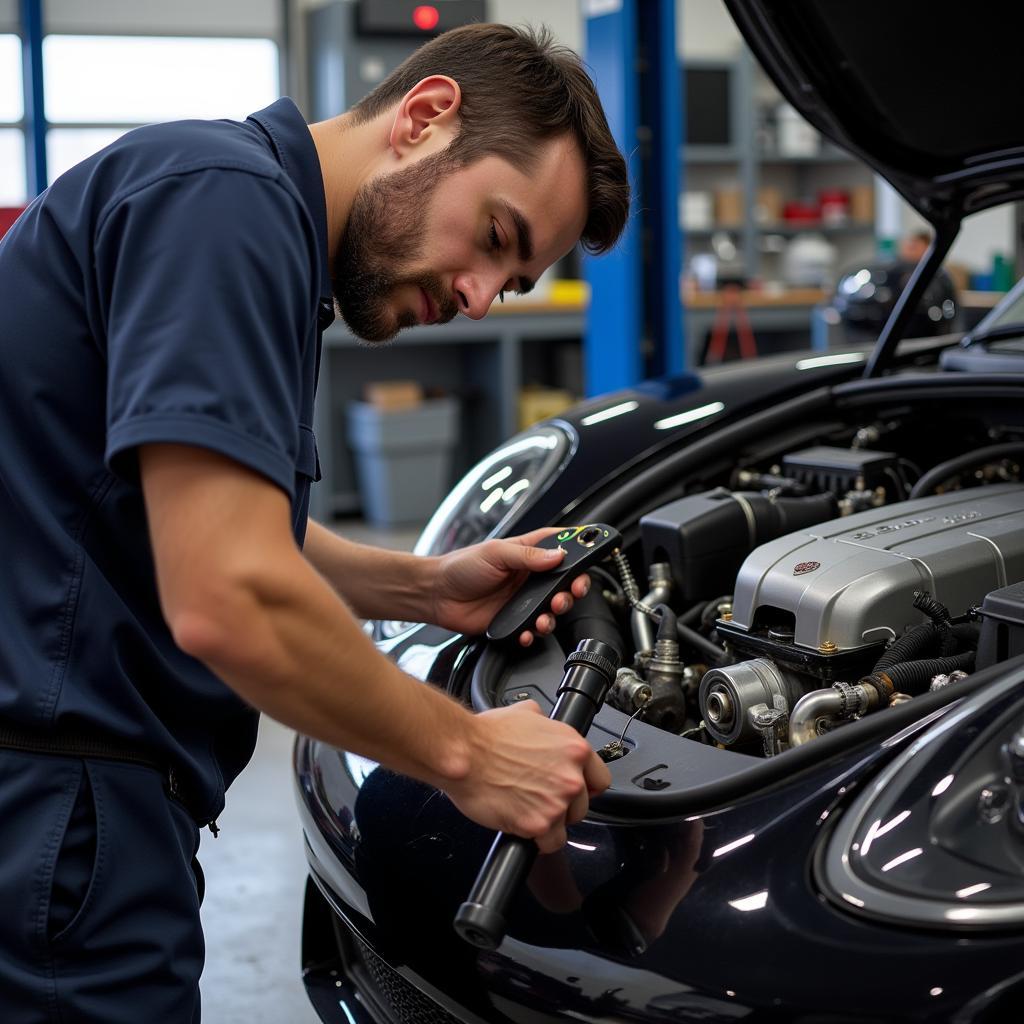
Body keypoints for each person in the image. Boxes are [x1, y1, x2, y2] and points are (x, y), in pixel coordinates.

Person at [0, 22, 630, 1022]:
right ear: (424, 118)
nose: (476, 299)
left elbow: (199, 518)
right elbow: (227, 594)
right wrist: (472, 753)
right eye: (495, 237)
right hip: (61, 818)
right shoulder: (227, 205)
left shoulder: (229, 207)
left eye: (508, 284)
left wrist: (421, 585)